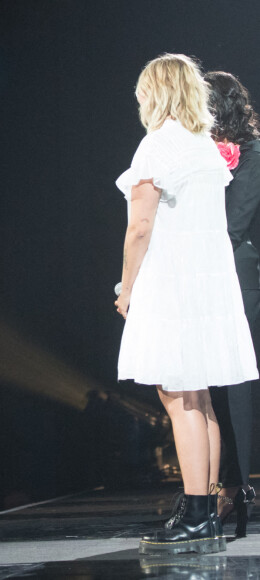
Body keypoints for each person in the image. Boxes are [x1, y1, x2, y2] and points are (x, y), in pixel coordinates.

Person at [114, 54, 258, 555]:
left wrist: (126, 287)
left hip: (173, 281)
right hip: (206, 282)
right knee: (198, 398)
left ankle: (197, 511)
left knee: (178, 397)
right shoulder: (202, 146)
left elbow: (140, 226)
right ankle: (203, 506)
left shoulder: (159, 143)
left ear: (156, 92)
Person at [205, 71, 260, 537]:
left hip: (241, 279)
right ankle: (224, 486)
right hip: (211, 276)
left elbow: (236, 223)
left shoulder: (253, 154)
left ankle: (236, 486)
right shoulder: (201, 152)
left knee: (238, 382)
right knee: (216, 382)